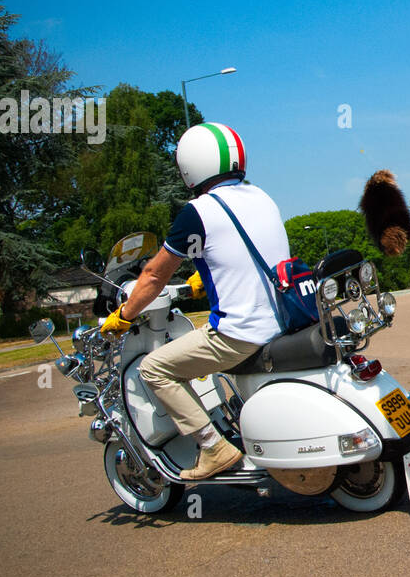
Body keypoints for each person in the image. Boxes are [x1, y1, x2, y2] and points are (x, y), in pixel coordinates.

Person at [99, 122, 289, 481]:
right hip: (280, 320)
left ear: (190, 165)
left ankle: (212, 446)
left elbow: (154, 275)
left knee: (154, 368)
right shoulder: (262, 197)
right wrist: (205, 277)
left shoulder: (197, 212)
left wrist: (123, 315)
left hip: (239, 333)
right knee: (193, 347)